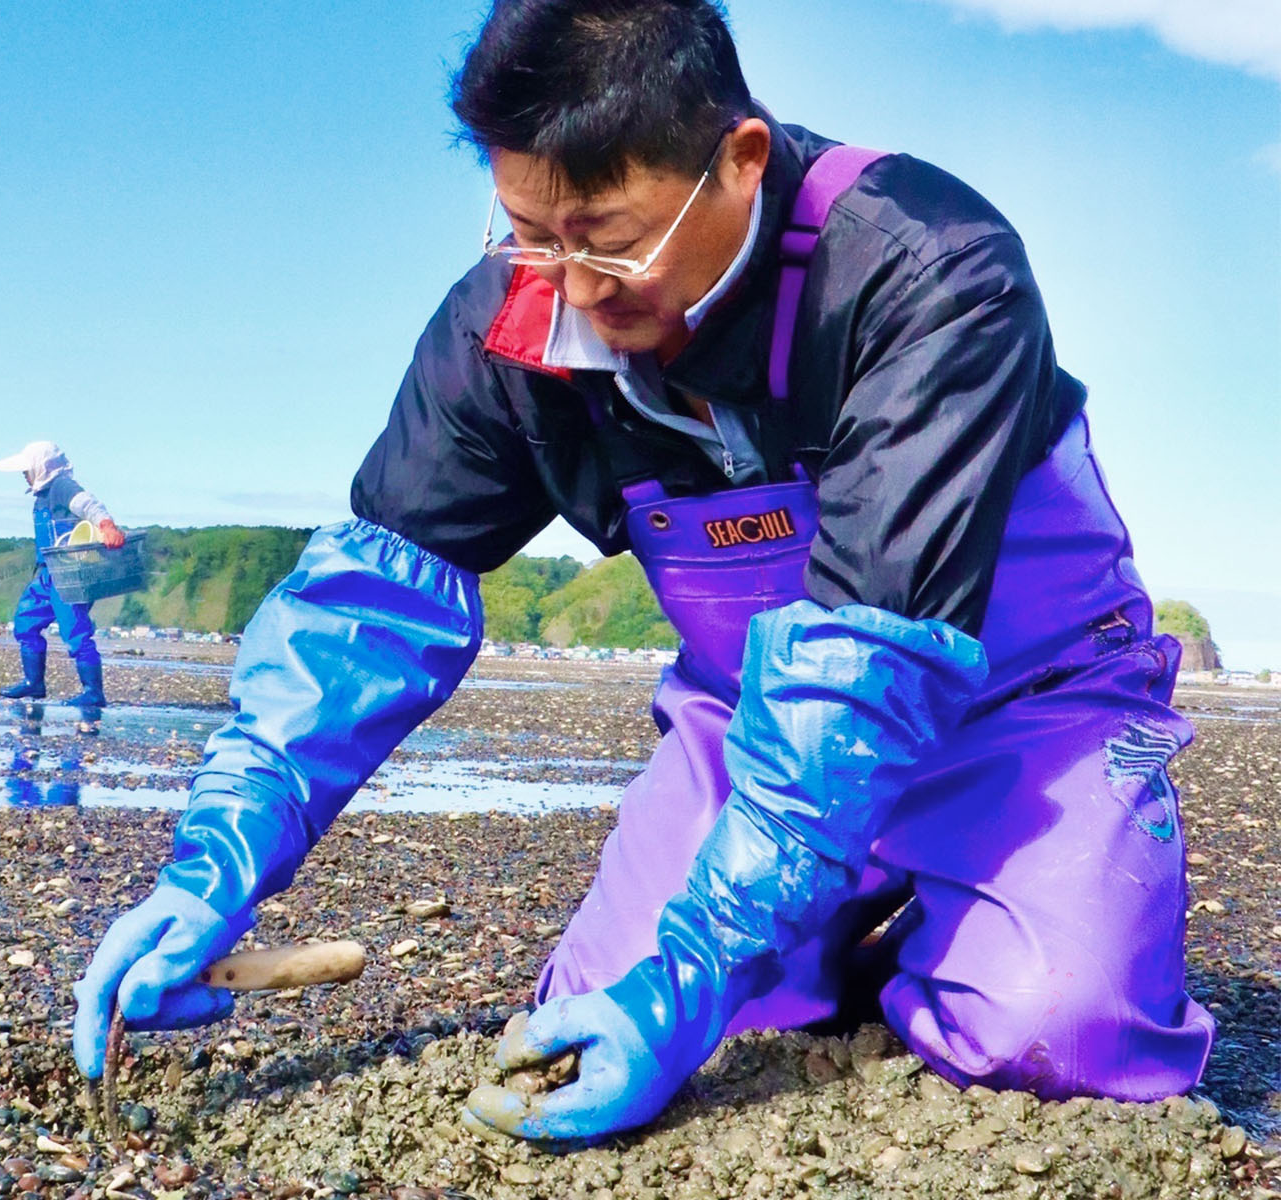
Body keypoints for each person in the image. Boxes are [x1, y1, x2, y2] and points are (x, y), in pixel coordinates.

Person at [71, 0, 1214, 1147]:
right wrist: (218, 857)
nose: (571, 287)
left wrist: (696, 966)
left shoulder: (930, 272)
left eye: (608, 236)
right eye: (530, 232)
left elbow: (867, 667)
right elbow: (370, 606)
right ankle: (862, 925)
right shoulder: (510, 330)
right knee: (594, 1014)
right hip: (754, 721)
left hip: (1021, 713)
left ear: (740, 158)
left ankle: (978, 908)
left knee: (1059, 1034)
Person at [0, 440, 125, 725]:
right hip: (45, 572)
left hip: (69, 574)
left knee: (75, 631)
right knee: (25, 623)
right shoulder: (40, 496)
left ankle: (93, 691)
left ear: (43, 467)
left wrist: (106, 525)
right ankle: (33, 683)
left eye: (27, 469)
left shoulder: (62, 486)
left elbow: (89, 504)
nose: (24, 474)